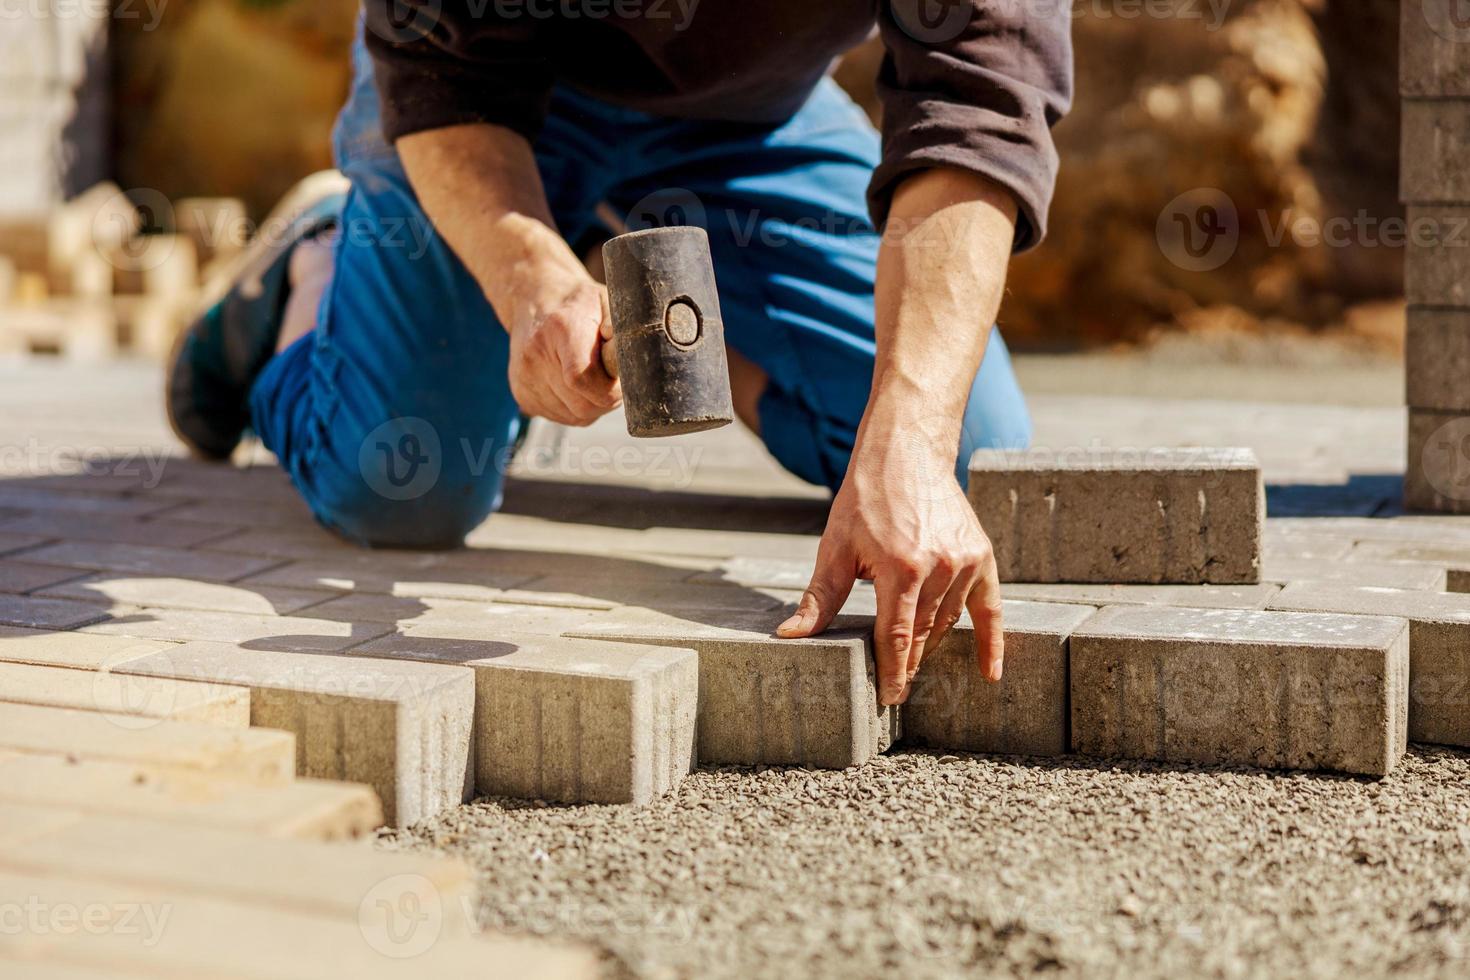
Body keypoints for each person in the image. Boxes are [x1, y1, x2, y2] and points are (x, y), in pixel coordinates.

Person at [167, 1, 1073, 709]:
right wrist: (531, 286)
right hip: (488, 106)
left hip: (753, 123)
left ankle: (622, 259)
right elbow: (437, 66)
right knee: (401, 490)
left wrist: (911, 434)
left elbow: (980, 100)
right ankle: (315, 273)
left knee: (961, 448)